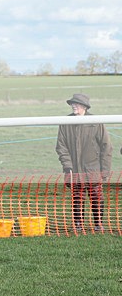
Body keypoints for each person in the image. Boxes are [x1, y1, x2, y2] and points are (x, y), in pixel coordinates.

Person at [55, 93, 112, 233]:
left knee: (96, 196)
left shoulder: (96, 121)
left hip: (93, 168)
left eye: (77, 103)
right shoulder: (65, 122)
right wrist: (67, 166)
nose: (73, 106)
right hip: (73, 170)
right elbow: (61, 146)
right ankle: (78, 225)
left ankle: (98, 224)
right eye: (72, 103)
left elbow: (107, 146)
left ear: (85, 107)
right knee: (77, 197)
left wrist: (104, 170)